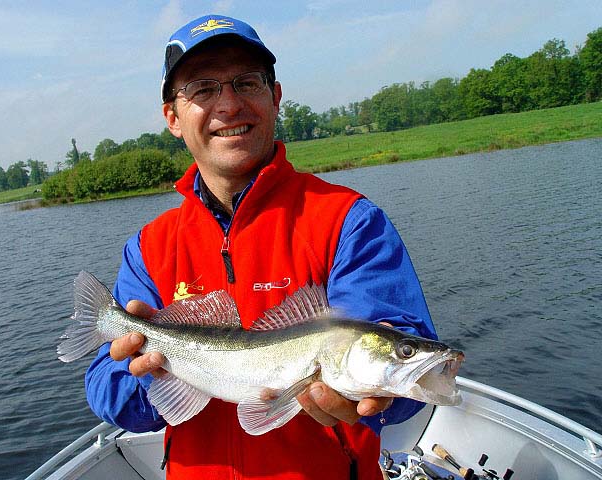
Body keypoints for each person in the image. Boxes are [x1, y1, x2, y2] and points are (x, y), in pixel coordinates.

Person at [85, 14, 437, 480]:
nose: (229, 105)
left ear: (274, 98)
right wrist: (152, 374)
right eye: (203, 89)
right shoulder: (149, 247)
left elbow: (401, 383)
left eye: (246, 82)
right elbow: (105, 391)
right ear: (173, 116)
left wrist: (381, 403)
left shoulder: (348, 221)